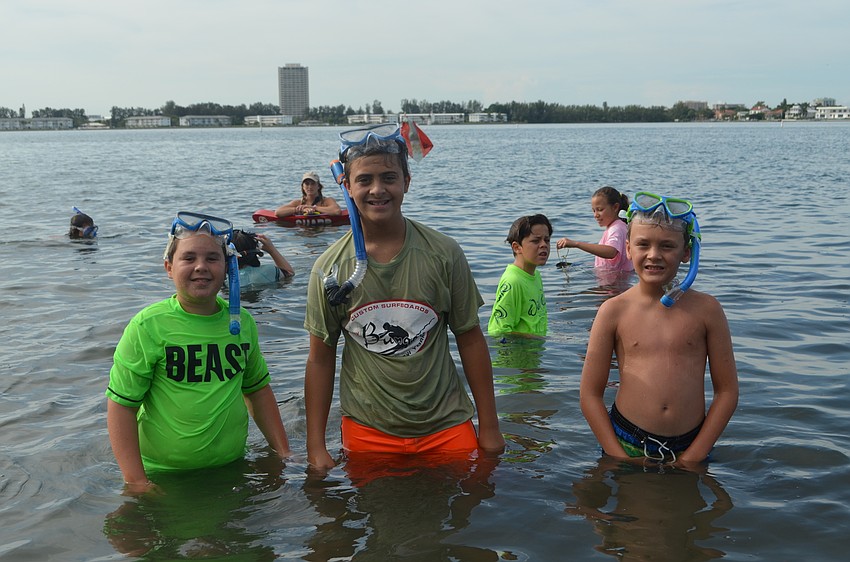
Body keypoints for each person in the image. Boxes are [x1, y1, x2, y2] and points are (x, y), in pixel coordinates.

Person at [303, 124, 505, 470]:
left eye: (389, 178)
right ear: (346, 186)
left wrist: (490, 427)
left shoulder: (443, 254)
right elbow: (321, 358)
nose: (377, 189)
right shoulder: (330, 269)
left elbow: (470, 338)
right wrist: (315, 447)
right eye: (364, 179)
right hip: (367, 430)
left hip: (446, 425)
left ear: (406, 182)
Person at [106, 212, 291, 494]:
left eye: (212, 258)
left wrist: (283, 453)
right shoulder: (147, 326)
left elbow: (257, 390)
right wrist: (137, 481)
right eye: (189, 258)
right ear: (169, 267)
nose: (201, 267)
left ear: (228, 266)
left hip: (232, 471)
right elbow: (122, 406)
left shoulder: (241, 323)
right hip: (164, 477)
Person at [580, 192, 738, 465]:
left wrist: (695, 454)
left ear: (687, 252)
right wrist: (618, 457)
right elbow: (589, 394)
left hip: (692, 446)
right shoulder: (613, 311)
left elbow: (727, 392)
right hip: (626, 443)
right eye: (643, 244)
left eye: (667, 246)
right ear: (628, 248)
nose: (654, 255)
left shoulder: (707, 311)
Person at [488, 214, 552, 338]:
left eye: (547, 240)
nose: (544, 245)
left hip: (533, 353)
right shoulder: (513, 281)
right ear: (517, 247)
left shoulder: (535, 276)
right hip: (516, 356)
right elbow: (498, 331)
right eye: (535, 241)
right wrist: (535, 338)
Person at [556, 186, 633, 273]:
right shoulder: (618, 226)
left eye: (600, 210)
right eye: (594, 211)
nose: (596, 215)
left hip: (613, 284)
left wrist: (576, 244)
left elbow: (611, 252)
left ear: (615, 207)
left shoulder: (616, 228)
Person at [275, 171, 342, 217]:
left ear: (318, 186)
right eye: (307, 184)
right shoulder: (298, 203)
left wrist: (313, 208)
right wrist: (299, 209)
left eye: (313, 184)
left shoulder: (327, 201)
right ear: (303, 187)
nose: (310, 187)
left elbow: (336, 211)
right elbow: (278, 212)